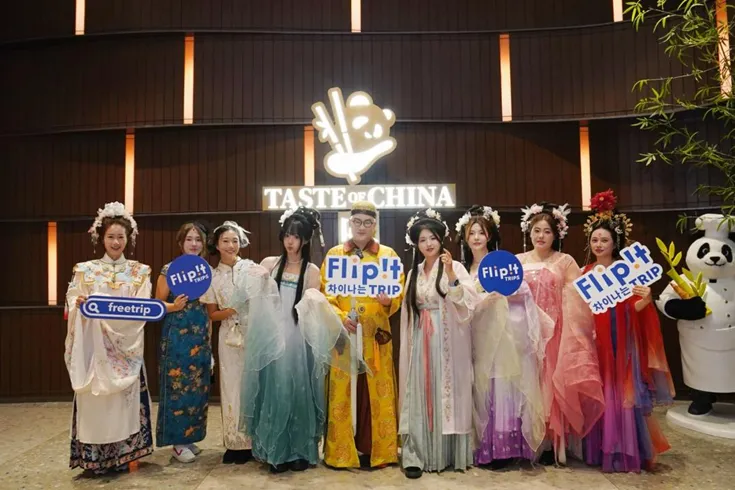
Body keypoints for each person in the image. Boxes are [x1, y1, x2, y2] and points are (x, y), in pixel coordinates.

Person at [234, 207, 359, 473]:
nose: (290, 241)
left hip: (298, 336)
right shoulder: (269, 263)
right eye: (287, 235)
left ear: (305, 240)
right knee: (275, 390)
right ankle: (276, 451)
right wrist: (259, 279)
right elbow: (247, 294)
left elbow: (312, 309)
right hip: (272, 336)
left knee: (298, 391)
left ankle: (300, 451)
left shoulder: (311, 270)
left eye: (296, 236)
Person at [581, 190, 674, 472]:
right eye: (594, 240)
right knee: (601, 392)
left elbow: (634, 309)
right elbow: (581, 313)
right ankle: (598, 450)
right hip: (596, 343)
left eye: (604, 240)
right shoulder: (585, 273)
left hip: (622, 342)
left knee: (622, 393)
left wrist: (645, 300)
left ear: (615, 243)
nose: (599, 244)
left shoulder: (628, 271)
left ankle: (625, 451)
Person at [456, 205, 550, 469]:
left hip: (503, 336)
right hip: (477, 335)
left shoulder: (503, 263)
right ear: (465, 237)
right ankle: (484, 447)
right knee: (481, 387)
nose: (476, 237)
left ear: (490, 235)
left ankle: (506, 448)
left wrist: (510, 294)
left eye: (481, 232)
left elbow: (523, 293)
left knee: (503, 386)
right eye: (472, 233)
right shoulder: (462, 269)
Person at [65, 202, 153, 473]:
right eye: (111, 236)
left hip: (126, 347)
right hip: (94, 348)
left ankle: (124, 456)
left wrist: (114, 326)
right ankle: (94, 458)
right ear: (101, 238)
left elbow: (142, 308)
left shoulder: (140, 272)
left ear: (129, 239)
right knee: (95, 402)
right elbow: (72, 301)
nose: (116, 242)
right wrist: (78, 305)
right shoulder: (84, 270)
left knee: (122, 405)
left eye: (121, 237)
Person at [517, 202, 604, 465]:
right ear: (529, 232)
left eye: (547, 231)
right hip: (525, 332)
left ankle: (549, 443)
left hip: (555, 333)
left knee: (549, 386)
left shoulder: (565, 262)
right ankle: (524, 441)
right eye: (536, 230)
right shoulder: (518, 261)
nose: (541, 236)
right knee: (526, 384)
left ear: (556, 235)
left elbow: (579, 298)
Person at [320, 200, 404, 469]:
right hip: (344, 335)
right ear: (350, 223)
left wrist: (388, 301)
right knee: (344, 390)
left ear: (375, 226)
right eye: (357, 221)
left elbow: (398, 292)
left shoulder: (388, 255)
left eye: (368, 222)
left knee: (375, 391)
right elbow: (326, 294)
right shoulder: (335, 255)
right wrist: (340, 317)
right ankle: (342, 452)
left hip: (375, 336)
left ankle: (377, 450)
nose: (362, 227)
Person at [398, 208, 478, 479]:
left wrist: (452, 274)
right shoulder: (414, 272)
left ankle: (444, 454)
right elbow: (409, 310)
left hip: (446, 340)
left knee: (445, 391)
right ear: (416, 244)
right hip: (420, 337)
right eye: (422, 240)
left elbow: (467, 302)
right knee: (419, 391)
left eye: (432, 238)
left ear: (441, 239)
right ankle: (415, 455)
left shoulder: (455, 267)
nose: (428, 244)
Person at [200, 221, 273, 465]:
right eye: (225, 241)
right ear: (217, 244)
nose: (231, 245)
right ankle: (234, 443)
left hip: (254, 333)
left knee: (255, 384)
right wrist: (232, 309)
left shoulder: (251, 269)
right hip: (229, 336)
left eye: (235, 241)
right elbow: (212, 314)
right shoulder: (212, 277)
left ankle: (256, 440)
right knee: (231, 386)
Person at [155, 222, 212, 463]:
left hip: (200, 336)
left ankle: (189, 437)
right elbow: (157, 304)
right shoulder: (169, 270)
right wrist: (174, 306)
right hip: (177, 337)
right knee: (178, 388)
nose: (194, 244)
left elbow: (209, 308)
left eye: (198, 239)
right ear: (181, 243)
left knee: (197, 387)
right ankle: (177, 443)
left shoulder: (206, 271)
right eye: (189, 239)